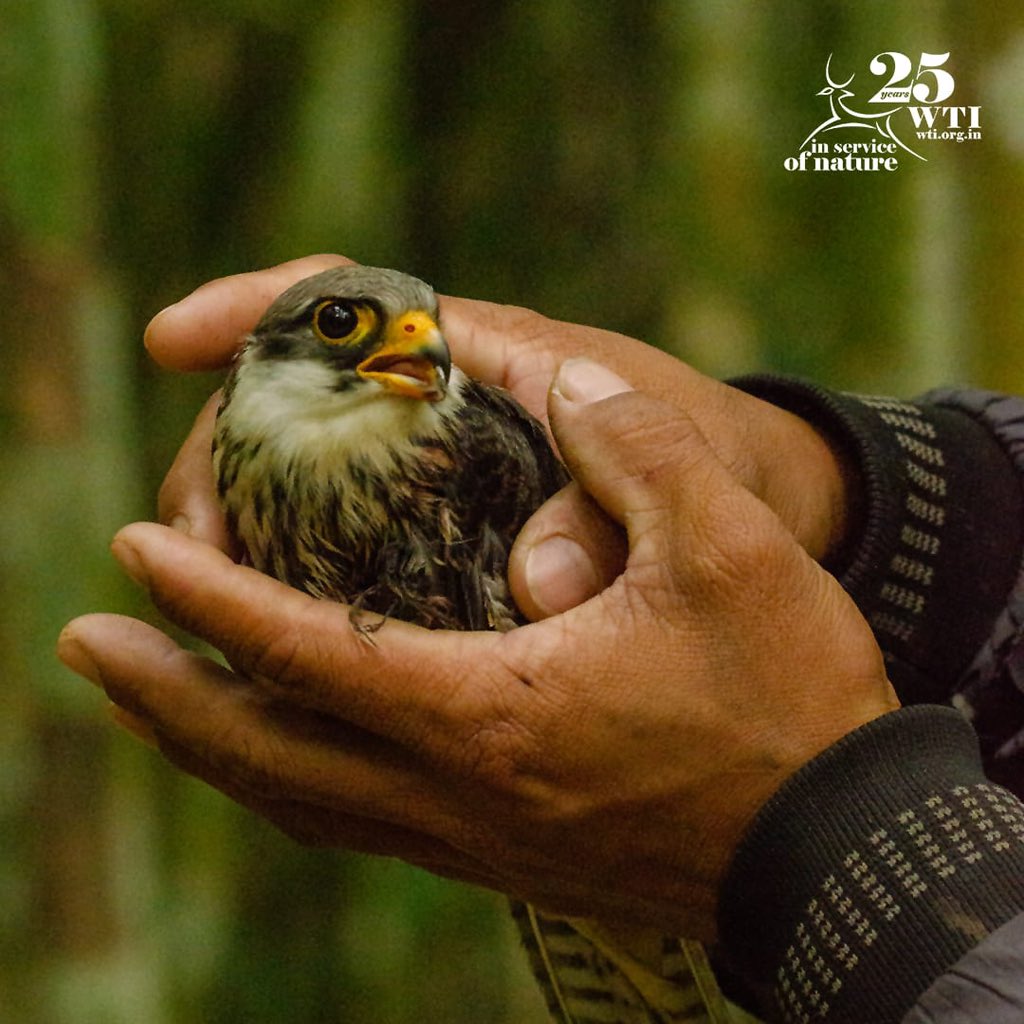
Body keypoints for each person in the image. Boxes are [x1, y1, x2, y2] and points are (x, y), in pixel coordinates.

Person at [58, 255, 1024, 1022]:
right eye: (345, 322)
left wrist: (808, 842)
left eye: (416, 324)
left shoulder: (473, 446)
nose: (415, 341)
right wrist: (878, 508)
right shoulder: (254, 467)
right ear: (254, 361)